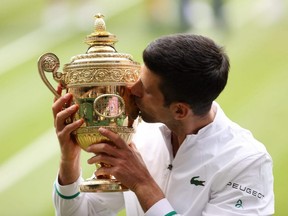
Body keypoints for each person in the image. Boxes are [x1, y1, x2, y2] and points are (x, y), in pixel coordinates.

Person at [52, 34, 274, 215]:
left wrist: (142, 184)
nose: (132, 90)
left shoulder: (247, 163)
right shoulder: (139, 131)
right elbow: (83, 213)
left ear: (179, 110)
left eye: (146, 89)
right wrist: (69, 159)